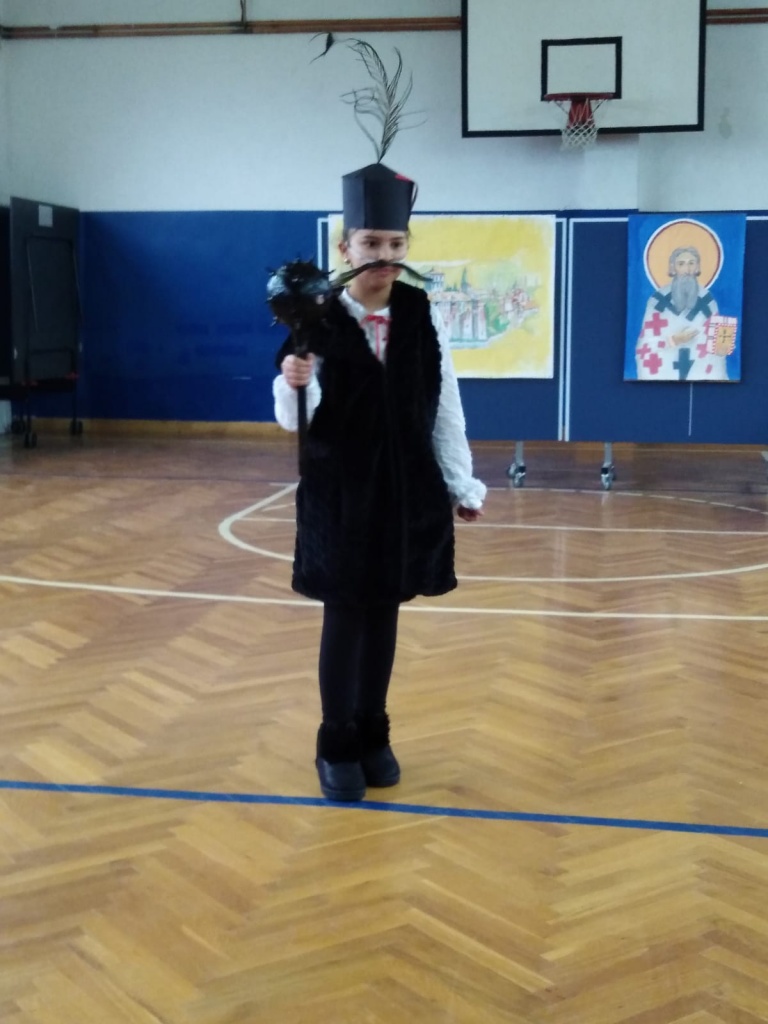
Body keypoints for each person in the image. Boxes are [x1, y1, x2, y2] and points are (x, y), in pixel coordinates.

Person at [272, 162, 487, 803]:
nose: (384, 256)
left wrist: (461, 482)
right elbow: (294, 419)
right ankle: (335, 742)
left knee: (387, 610)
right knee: (346, 614)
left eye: (396, 244)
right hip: (340, 493)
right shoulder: (318, 317)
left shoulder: (420, 312)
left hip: (404, 488)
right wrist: (293, 381)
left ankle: (373, 732)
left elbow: (443, 402)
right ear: (346, 248)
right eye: (370, 243)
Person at [635, 245, 729, 381]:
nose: (687, 270)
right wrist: (674, 340)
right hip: (665, 371)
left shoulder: (707, 300)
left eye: (691, 263)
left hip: (701, 370)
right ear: (673, 268)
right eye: (681, 264)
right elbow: (646, 346)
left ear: (697, 267)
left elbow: (718, 344)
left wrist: (721, 349)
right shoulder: (658, 301)